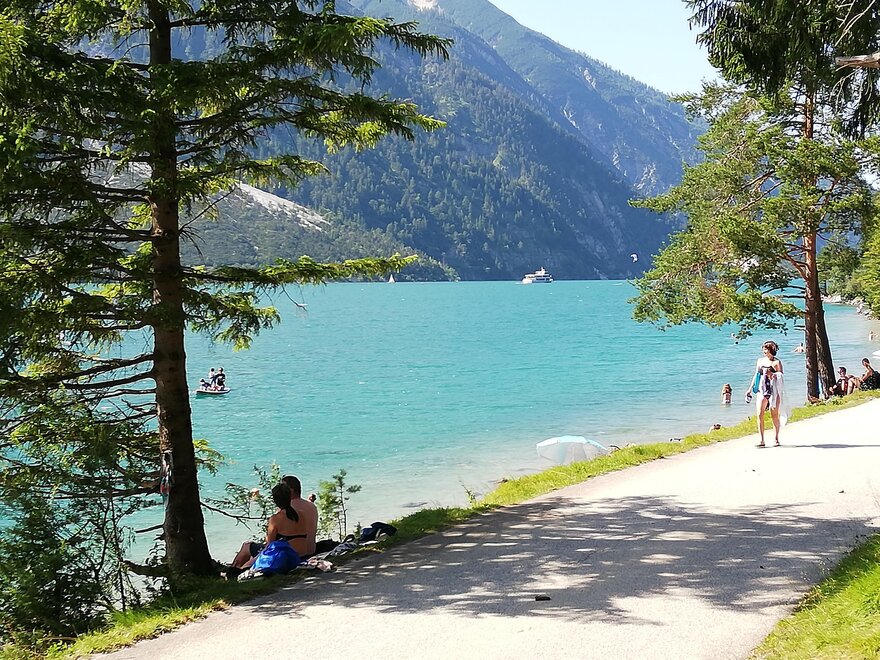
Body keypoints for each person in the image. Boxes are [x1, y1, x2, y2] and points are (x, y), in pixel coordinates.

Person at [229, 483, 304, 574]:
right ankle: (236, 570)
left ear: (275, 501)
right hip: (301, 554)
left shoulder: (275, 519)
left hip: (284, 557)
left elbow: (269, 546)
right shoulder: (301, 515)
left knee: (247, 546)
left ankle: (234, 571)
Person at [746, 340, 787, 447]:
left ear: (771, 350)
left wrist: (772, 374)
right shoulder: (760, 361)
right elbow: (756, 375)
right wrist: (750, 389)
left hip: (774, 391)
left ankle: (776, 438)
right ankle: (761, 440)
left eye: (766, 349)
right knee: (760, 414)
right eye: (763, 349)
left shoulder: (777, 362)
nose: (764, 351)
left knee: (774, 415)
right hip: (762, 390)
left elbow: (781, 377)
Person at [282, 474, 319, 557]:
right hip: (311, 551)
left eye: (283, 488)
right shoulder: (312, 506)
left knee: (251, 547)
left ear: (291, 491)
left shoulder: (286, 508)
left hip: (294, 555)